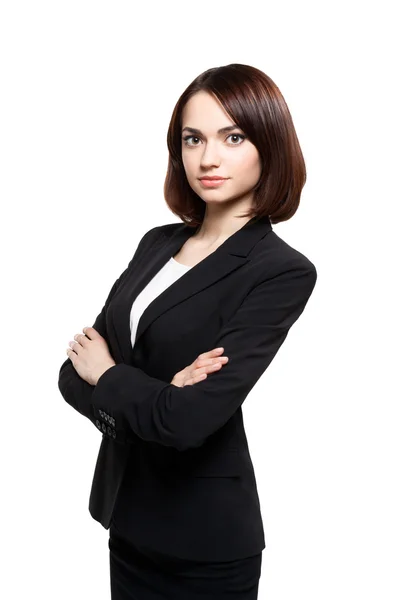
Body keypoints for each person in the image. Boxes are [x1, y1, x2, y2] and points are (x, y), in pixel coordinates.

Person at [58, 63, 318, 599]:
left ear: (268, 144)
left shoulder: (279, 270)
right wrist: (156, 398)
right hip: (128, 517)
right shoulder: (156, 243)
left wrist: (111, 375)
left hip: (205, 544)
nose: (208, 158)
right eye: (192, 138)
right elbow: (69, 373)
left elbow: (189, 421)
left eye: (233, 137)